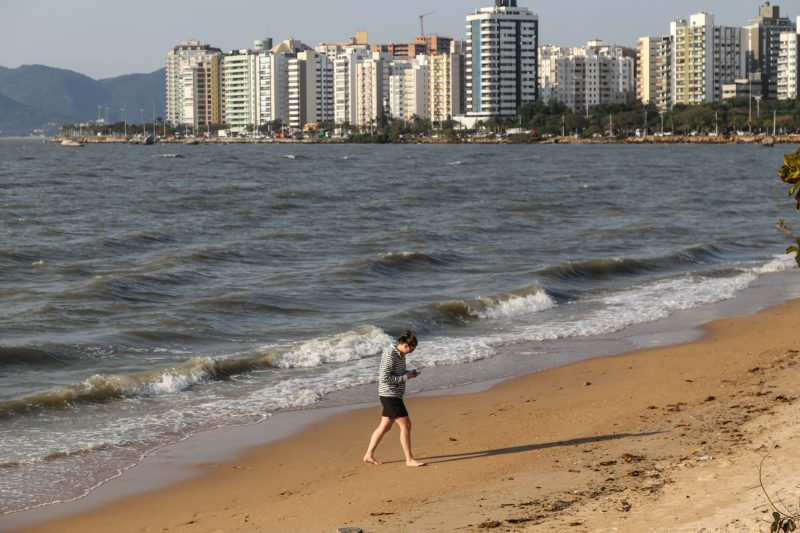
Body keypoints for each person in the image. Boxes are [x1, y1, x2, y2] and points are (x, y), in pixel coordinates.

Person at [363, 330, 426, 467]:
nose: (409, 352)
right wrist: (405, 377)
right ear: (403, 343)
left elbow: (396, 373)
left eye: (412, 351)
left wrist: (408, 373)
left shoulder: (401, 354)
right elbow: (384, 377)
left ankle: (368, 455)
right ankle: (409, 459)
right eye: (409, 349)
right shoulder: (390, 354)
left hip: (394, 394)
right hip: (389, 395)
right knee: (406, 425)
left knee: (384, 426)